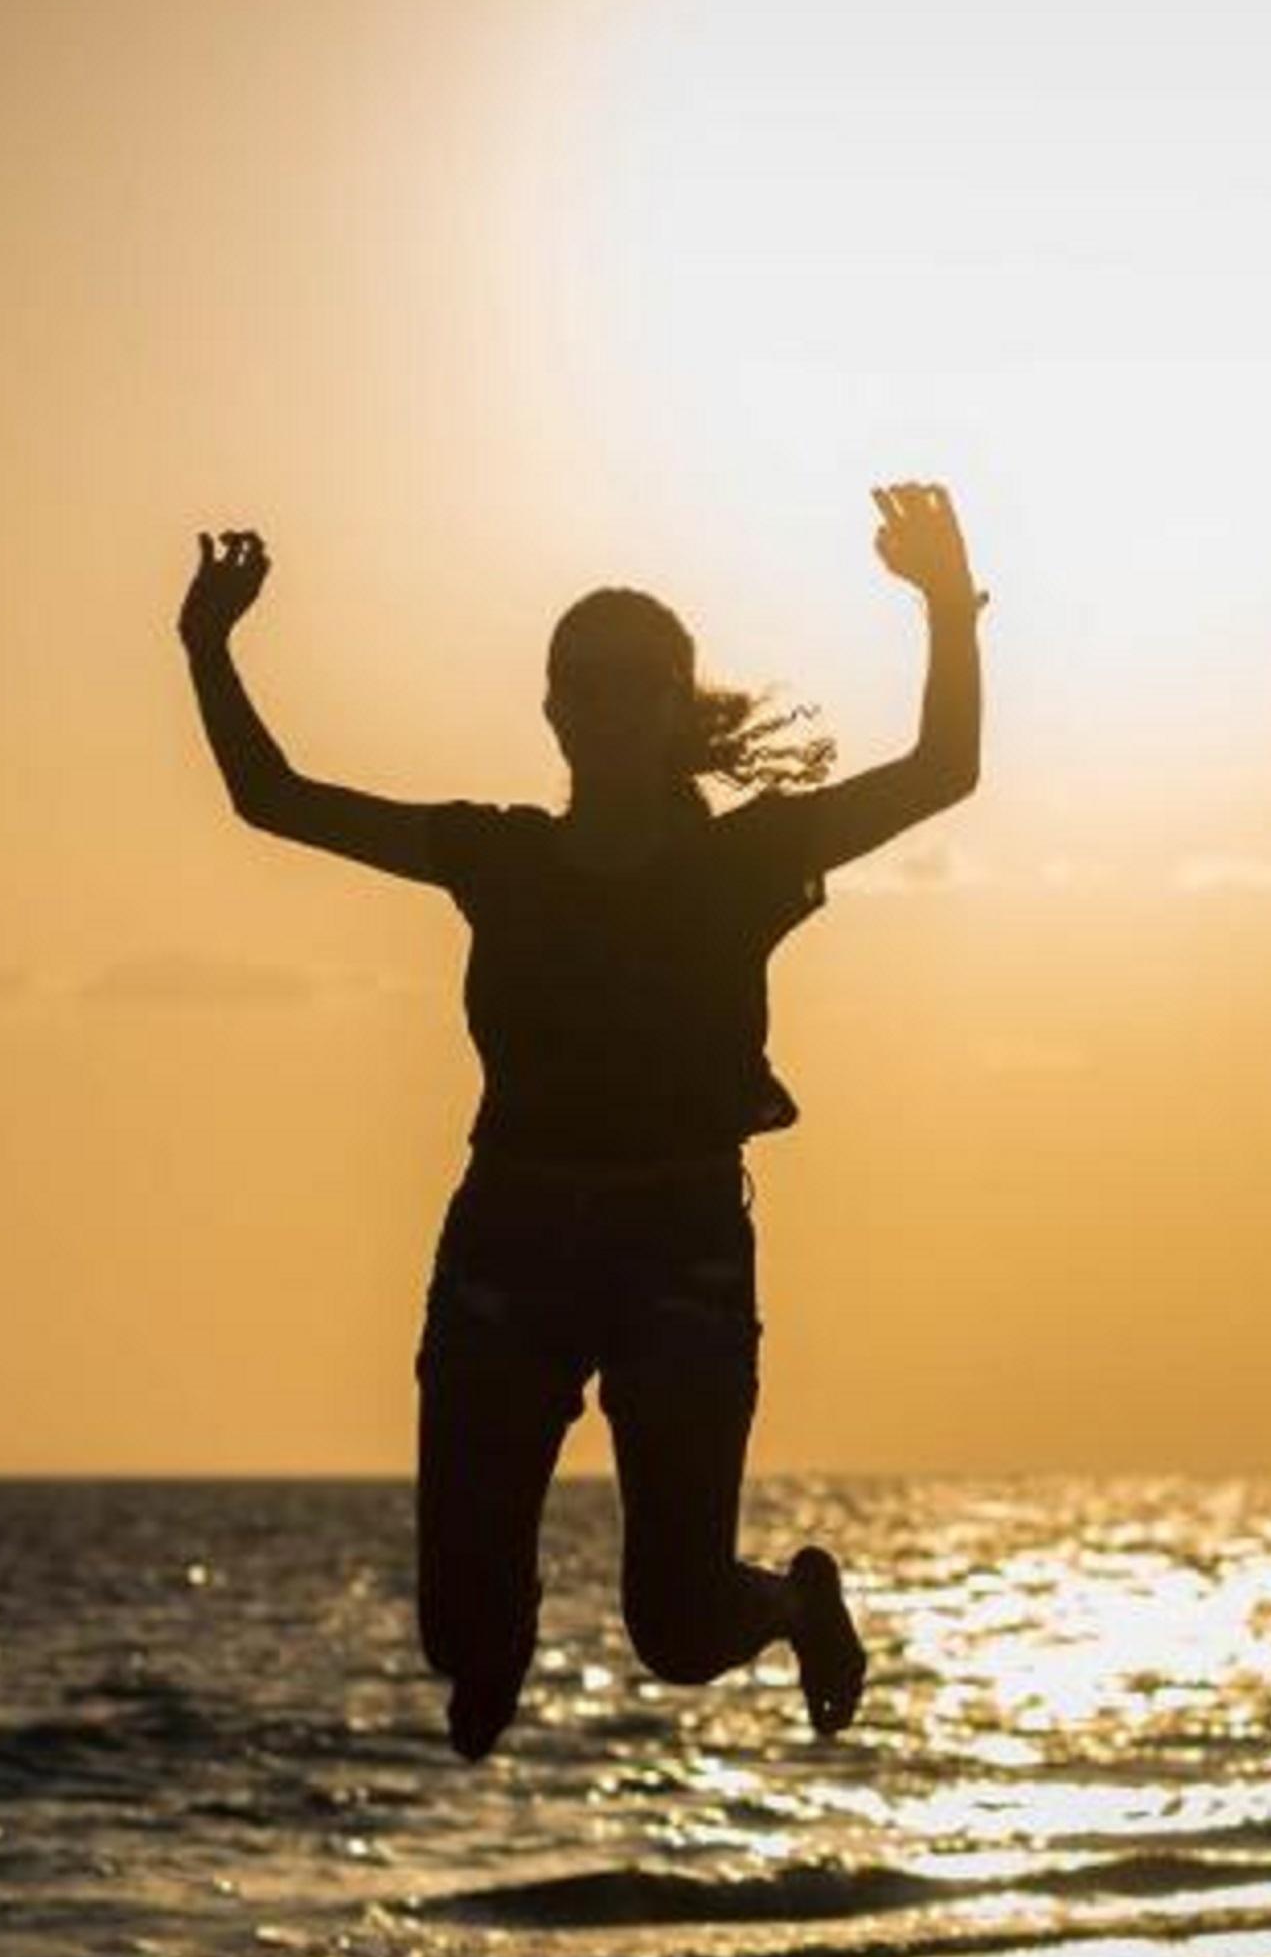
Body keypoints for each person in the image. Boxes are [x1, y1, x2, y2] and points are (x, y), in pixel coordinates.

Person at [178, 487, 986, 1758]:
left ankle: (794, 1604)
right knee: (462, 1630)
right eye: (579, 682)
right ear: (553, 709)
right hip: (511, 1242)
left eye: (630, 681)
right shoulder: (497, 859)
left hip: (682, 1250)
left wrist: (946, 599)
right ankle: (493, 1636)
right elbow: (274, 798)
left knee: (675, 1630)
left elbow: (945, 771)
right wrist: (207, 648)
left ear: (671, 703)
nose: (602, 702)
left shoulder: (747, 860)